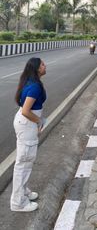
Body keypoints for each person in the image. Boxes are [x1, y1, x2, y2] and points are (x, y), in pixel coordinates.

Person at [10, 57, 47, 212]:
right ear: (37, 69)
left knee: (26, 161)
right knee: (24, 163)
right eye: (43, 64)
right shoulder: (34, 87)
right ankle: (18, 203)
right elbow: (26, 111)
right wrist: (39, 121)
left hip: (26, 123)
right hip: (27, 123)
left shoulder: (31, 81)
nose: (45, 66)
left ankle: (23, 191)